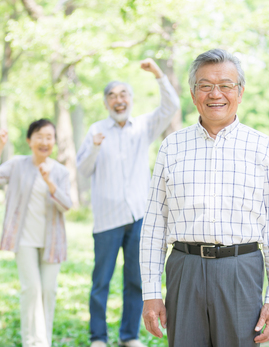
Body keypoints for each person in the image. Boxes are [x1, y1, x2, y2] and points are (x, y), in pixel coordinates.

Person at [139, 49, 269, 347]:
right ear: (194, 94)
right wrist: (150, 292)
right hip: (184, 269)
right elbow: (154, 224)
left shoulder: (263, 148)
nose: (215, 94)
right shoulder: (172, 147)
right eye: (205, 85)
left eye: (226, 85)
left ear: (240, 92)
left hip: (241, 269)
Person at [76, 58, 180, 347]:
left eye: (124, 95)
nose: (118, 100)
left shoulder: (143, 126)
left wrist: (158, 74)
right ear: (106, 102)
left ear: (131, 100)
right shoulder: (97, 130)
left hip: (138, 216)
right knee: (101, 282)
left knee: (136, 280)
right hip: (107, 218)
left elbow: (170, 106)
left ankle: (129, 336)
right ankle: (98, 336)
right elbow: (82, 171)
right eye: (113, 95)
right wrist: (95, 148)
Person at [0, 119, 72, 347]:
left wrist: (50, 183)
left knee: (48, 291)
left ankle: (43, 341)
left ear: (54, 141)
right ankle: (32, 342)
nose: (44, 141)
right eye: (39, 136)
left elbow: (67, 205)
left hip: (53, 242)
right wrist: (0, 146)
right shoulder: (17, 165)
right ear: (29, 140)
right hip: (24, 240)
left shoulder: (60, 171)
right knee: (31, 289)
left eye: (49, 137)